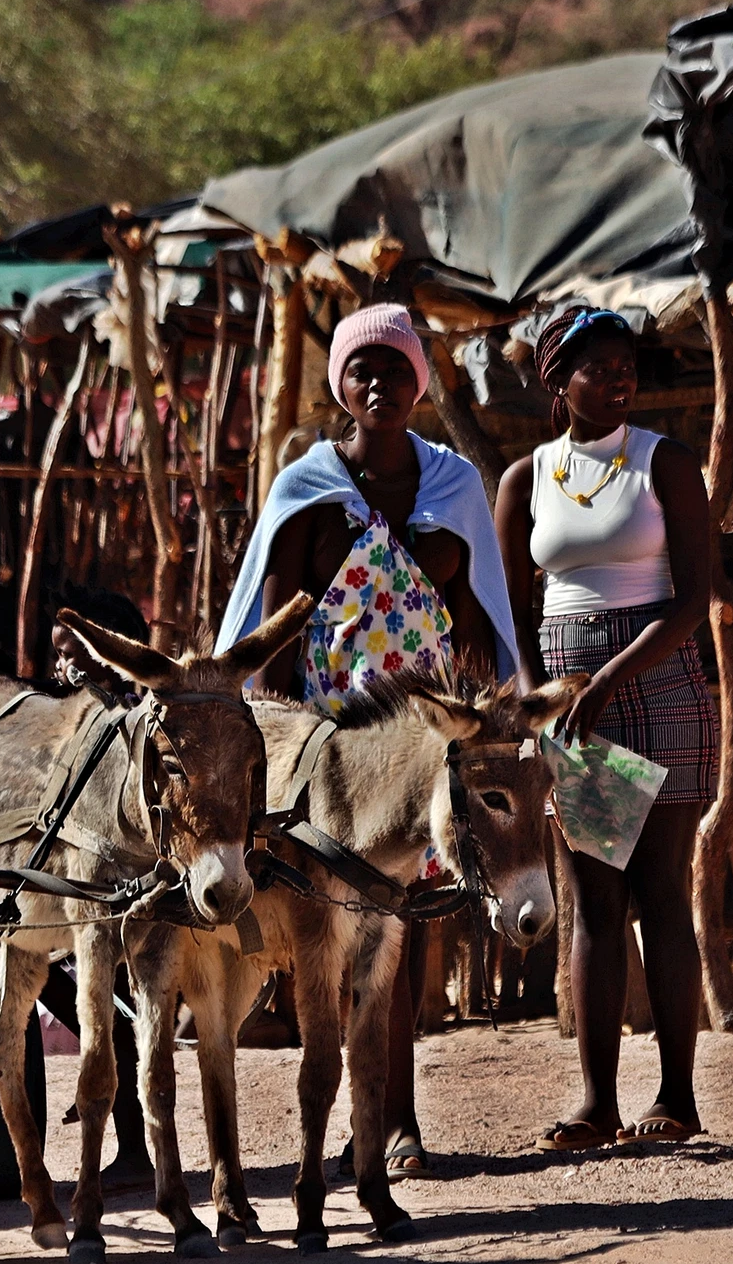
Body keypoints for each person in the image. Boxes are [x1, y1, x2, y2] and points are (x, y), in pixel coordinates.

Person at [216, 302, 515, 1179]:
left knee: (403, 930)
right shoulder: (306, 487)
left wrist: (484, 725)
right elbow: (271, 632)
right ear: (339, 386)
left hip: (419, 749)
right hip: (333, 750)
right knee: (328, 931)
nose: (378, 384)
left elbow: (480, 624)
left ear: (421, 384)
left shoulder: (456, 487)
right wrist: (268, 748)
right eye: (362, 371)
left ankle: (394, 1123)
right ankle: (350, 1122)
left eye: (396, 370)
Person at [494, 305, 717, 1151]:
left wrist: (608, 681)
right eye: (599, 366)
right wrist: (538, 700)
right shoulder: (529, 477)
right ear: (558, 380)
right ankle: (595, 1102)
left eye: (628, 364)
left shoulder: (666, 463)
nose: (621, 377)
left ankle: (677, 1096)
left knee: (661, 891)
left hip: (656, 682)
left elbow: (691, 600)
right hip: (566, 696)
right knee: (593, 900)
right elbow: (515, 606)